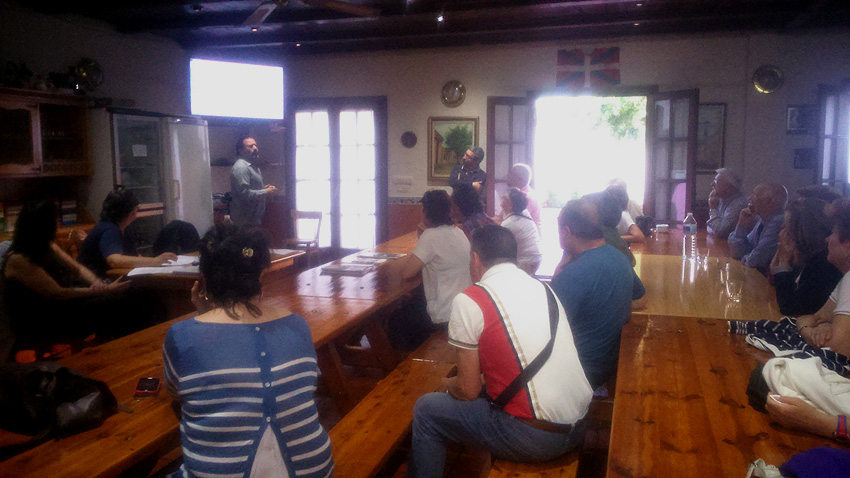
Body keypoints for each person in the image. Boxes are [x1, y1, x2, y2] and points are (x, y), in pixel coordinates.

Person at [407, 225, 592, 478]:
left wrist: (449, 385)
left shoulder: (471, 299)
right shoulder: (544, 288)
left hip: (536, 437)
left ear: (475, 259)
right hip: (579, 427)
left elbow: (468, 390)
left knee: (426, 409)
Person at [162, 225, 334, 478]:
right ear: (260, 276)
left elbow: (177, 391)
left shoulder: (182, 336)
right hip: (314, 470)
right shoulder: (298, 326)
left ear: (203, 279)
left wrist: (203, 316)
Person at [0, 200, 133, 354]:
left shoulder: (47, 246)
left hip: (62, 305)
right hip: (41, 319)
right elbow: (57, 292)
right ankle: (116, 353)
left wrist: (97, 283)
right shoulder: (18, 258)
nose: (58, 223)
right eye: (55, 219)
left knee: (125, 296)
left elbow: (77, 268)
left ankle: (115, 350)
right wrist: (100, 291)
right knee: (113, 304)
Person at [551, 199, 647, 390]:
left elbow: (545, 328)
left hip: (578, 370)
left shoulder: (574, 274)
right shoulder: (619, 258)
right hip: (609, 361)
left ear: (567, 232)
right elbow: (641, 298)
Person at [399, 190, 471, 326]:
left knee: (397, 321)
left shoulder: (431, 236)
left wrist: (423, 237)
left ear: (426, 213)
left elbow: (406, 273)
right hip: (463, 308)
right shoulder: (458, 232)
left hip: (444, 313)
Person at [77, 187, 177, 278]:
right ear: (132, 212)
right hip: (91, 284)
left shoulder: (124, 228)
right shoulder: (109, 229)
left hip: (105, 279)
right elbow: (114, 261)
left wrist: (155, 263)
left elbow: (134, 256)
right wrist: (154, 261)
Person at [770, 198, 842, 317]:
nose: (783, 227)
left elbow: (790, 308)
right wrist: (780, 253)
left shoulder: (824, 263)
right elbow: (773, 282)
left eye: (788, 224)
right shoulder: (804, 255)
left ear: (802, 231)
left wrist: (784, 261)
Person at [728, 182, 788, 274]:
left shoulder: (778, 222)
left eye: (754, 195)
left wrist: (744, 258)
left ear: (770, 201)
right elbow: (737, 252)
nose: (749, 198)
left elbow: (757, 260)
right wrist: (741, 225)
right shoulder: (763, 220)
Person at [230, 137, 277, 227]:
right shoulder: (241, 168)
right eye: (250, 146)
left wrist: (264, 188)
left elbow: (252, 188)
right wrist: (266, 192)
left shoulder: (252, 167)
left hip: (253, 219)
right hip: (244, 221)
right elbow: (245, 194)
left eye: (255, 145)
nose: (255, 148)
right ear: (241, 150)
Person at [499, 188, 543, 275]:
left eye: (504, 198)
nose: (502, 198)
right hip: (537, 258)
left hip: (526, 262)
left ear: (510, 205)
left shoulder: (508, 224)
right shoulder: (524, 213)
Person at [706, 168, 748, 239]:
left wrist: (713, 209)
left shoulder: (739, 204)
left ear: (729, 186)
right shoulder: (721, 199)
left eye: (716, 182)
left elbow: (720, 232)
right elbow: (710, 228)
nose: (712, 184)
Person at [496, 164, 541, 229]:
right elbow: (500, 218)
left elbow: (512, 223)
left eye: (511, 174)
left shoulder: (526, 198)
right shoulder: (515, 194)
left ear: (519, 179)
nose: (507, 176)